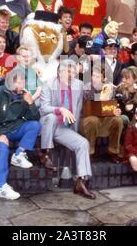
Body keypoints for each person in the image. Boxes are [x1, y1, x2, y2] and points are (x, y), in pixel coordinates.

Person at [39, 60, 95, 199]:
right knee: (51, 117)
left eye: (74, 72)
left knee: (83, 144)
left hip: (64, 128)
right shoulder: (48, 84)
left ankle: (81, 181)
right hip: (48, 124)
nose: (71, 75)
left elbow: (84, 105)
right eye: (68, 72)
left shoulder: (79, 84)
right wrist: (60, 110)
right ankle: (45, 153)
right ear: (59, 72)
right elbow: (43, 108)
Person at [0, 69, 42, 200]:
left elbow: (34, 118)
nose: (22, 84)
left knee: (35, 126)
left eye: (23, 81)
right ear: (11, 82)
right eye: (19, 81)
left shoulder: (24, 95)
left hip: (15, 128)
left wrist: (30, 103)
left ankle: (18, 155)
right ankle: (1, 186)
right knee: (2, 149)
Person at [79, 64, 124, 162]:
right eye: (93, 76)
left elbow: (110, 107)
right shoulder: (86, 88)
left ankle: (113, 151)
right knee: (93, 120)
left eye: (98, 77)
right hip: (85, 120)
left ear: (104, 78)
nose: (94, 79)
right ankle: (89, 152)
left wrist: (115, 111)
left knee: (118, 120)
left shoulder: (109, 89)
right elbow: (89, 107)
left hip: (102, 120)